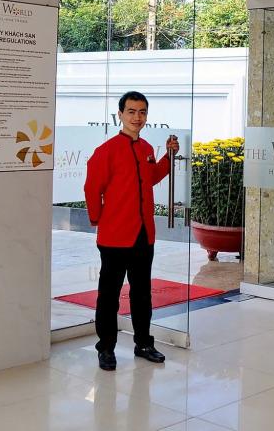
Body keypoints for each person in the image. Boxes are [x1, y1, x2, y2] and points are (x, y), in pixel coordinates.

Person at [84, 90, 179, 371]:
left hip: (143, 234)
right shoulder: (106, 151)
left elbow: (151, 178)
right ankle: (106, 348)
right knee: (109, 295)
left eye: (142, 112)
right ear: (120, 115)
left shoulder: (147, 148)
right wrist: (98, 219)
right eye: (131, 112)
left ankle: (143, 343)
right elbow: (92, 188)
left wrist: (168, 157)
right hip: (114, 236)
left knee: (142, 293)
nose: (137, 117)